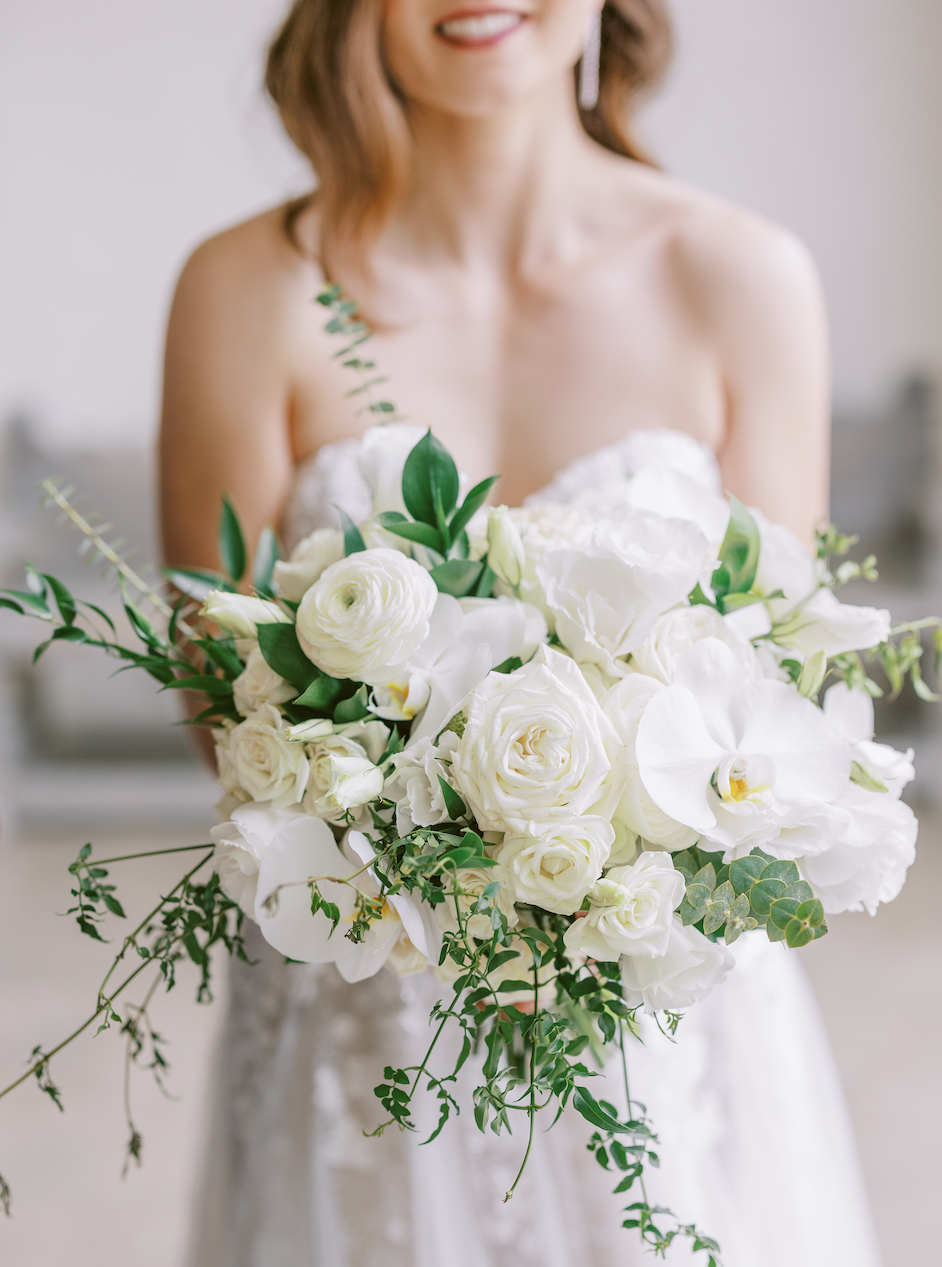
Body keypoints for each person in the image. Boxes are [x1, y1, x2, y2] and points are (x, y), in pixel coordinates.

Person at [158, 3, 880, 1264]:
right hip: (367, 1025)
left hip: (666, 1029)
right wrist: (448, 855)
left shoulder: (741, 277)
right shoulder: (248, 286)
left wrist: (610, 862)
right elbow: (223, 712)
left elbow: (774, 707)